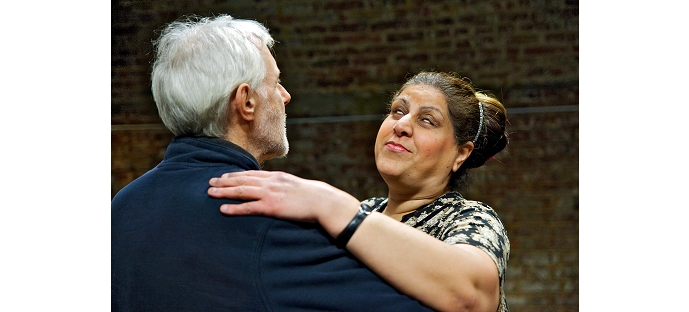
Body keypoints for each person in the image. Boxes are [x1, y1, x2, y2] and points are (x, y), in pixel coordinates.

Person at [111, 14, 434, 311]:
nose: (285, 95)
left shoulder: (122, 206)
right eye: (275, 82)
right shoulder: (263, 219)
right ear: (246, 102)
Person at [207, 71, 511, 312]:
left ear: (460, 154)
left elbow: (474, 295)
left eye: (427, 120)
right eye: (397, 111)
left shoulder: (467, 218)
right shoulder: (364, 211)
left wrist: (332, 205)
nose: (401, 125)